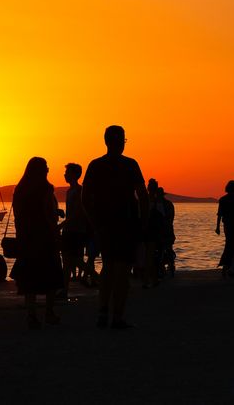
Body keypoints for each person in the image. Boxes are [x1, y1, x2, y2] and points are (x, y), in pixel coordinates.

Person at [82, 125, 148, 330]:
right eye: (123, 141)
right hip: (125, 223)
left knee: (109, 268)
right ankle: (116, 316)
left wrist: (95, 223)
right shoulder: (130, 165)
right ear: (120, 142)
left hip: (105, 224)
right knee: (121, 272)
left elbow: (85, 199)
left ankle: (103, 312)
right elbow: (143, 195)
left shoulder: (95, 165)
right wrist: (143, 223)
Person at [12, 156, 63, 329]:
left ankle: (31, 315)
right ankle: (49, 312)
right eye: (46, 167)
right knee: (52, 275)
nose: (48, 170)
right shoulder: (45, 189)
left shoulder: (20, 190)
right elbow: (48, 213)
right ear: (41, 170)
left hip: (26, 238)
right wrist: (55, 231)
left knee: (30, 278)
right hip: (44, 237)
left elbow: (18, 216)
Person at [60, 163, 89, 296]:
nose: (65, 175)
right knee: (66, 260)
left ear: (75, 175)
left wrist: (61, 225)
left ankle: (98, 279)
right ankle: (64, 290)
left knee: (75, 260)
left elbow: (77, 213)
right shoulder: (69, 191)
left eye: (67, 172)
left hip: (76, 231)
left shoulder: (79, 191)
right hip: (69, 230)